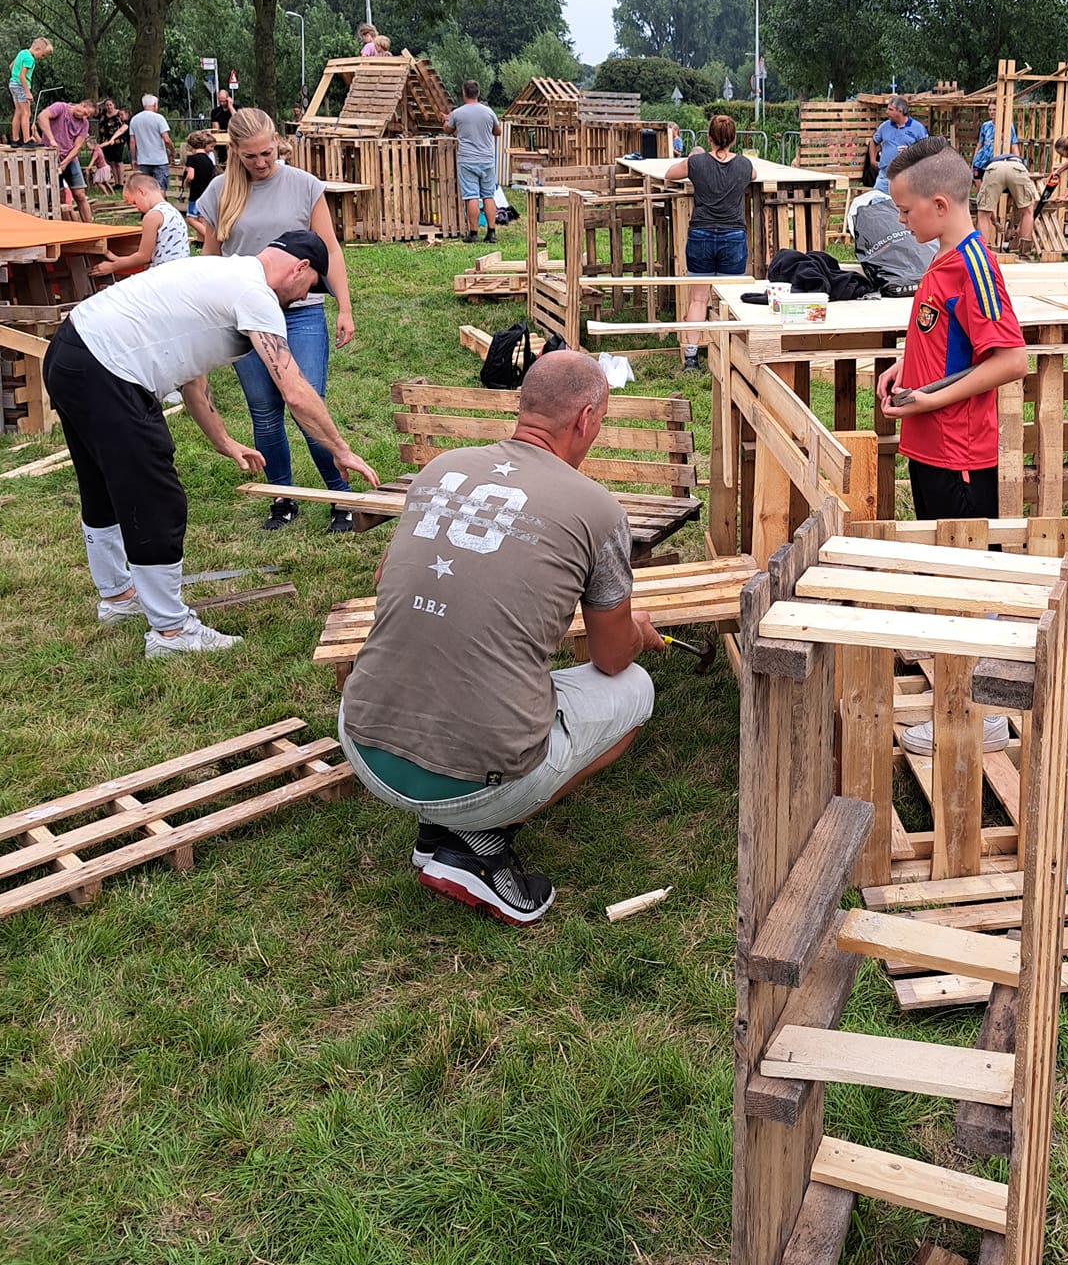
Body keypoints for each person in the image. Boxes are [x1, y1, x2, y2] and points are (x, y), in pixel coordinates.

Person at [337, 349, 663, 927]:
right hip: (479, 776)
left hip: (363, 741)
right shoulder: (599, 511)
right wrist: (639, 634)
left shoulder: (442, 469)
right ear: (587, 418)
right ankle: (480, 840)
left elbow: (386, 578)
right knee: (635, 689)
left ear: (523, 405)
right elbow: (612, 657)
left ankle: (445, 825)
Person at [42, 233, 379, 659]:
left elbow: (192, 374)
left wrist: (222, 441)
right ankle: (171, 633)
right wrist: (341, 448)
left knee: (102, 485)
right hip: (108, 367)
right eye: (311, 287)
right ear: (300, 268)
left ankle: (119, 598)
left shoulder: (222, 272)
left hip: (70, 351)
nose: (303, 298)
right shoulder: (254, 292)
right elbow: (294, 389)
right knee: (155, 497)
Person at [199, 107, 359, 533]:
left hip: (301, 314)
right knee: (264, 412)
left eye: (267, 153)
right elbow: (210, 261)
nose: (261, 163)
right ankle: (282, 498)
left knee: (307, 405)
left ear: (277, 142)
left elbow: (332, 250)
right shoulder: (219, 193)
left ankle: (340, 500)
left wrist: (343, 306)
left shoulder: (304, 186)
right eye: (250, 157)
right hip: (245, 320)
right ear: (234, 151)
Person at [877, 137, 1029, 520]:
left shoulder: (974, 267)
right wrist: (905, 365)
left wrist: (933, 401)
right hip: (929, 443)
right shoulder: (942, 257)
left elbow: (1012, 360)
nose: (901, 220)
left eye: (906, 210)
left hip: (958, 455)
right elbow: (946, 338)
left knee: (963, 565)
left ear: (940, 205)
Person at [665, 111, 755, 371]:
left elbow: (671, 173)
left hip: (701, 234)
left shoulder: (697, 163)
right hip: (733, 237)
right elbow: (754, 175)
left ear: (709, 137)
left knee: (698, 300)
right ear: (734, 139)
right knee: (731, 299)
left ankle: (691, 358)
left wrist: (694, 157)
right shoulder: (744, 165)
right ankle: (732, 357)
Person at [92, 170, 190, 278]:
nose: (136, 207)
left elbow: (144, 257)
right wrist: (118, 259)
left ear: (141, 192)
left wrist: (112, 267)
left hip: (164, 276)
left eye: (134, 202)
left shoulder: (152, 217)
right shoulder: (173, 211)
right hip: (182, 272)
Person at [443, 80, 502, 243]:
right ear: (478, 93)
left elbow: (448, 129)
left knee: (472, 196)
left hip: (467, 160)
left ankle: (474, 233)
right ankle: (491, 232)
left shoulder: (457, 113)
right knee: (489, 195)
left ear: (464, 93)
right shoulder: (488, 112)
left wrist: (446, 120)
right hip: (487, 159)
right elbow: (498, 131)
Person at [972, 120, 1038, 256]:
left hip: (994, 167)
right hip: (1016, 166)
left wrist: (995, 222)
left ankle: (983, 254)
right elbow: (1016, 150)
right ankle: (1024, 251)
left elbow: (984, 205)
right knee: (1028, 212)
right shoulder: (992, 127)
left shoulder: (980, 164)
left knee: (983, 214)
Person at [37, 97, 96, 224]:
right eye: (85, 113)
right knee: (59, 195)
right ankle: (65, 226)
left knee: (80, 194)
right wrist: (51, 140)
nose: (84, 116)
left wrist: (65, 163)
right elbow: (42, 117)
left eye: (88, 116)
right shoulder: (61, 108)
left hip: (70, 159)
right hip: (51, 158)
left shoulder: (84, 123)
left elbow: (78, 146)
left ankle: (90, 226)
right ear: (82, 104)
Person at [869, 96, 928, 194]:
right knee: (876, 205)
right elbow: (874, 142)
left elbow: (926, 150)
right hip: (884, 177)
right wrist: (872, 160)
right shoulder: (884, 126)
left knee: (901, 207)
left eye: (890, 109)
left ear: (900, 111)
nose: (887, 112)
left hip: (906, 178)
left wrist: (910, 151)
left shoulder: (918, 128)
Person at [9, 37, 51, 145]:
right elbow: (22, 76)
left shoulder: (22, 53)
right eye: (42, 55)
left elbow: (11, 66)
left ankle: (15, 139)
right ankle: (27, 140)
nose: (42, 58)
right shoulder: (30, 59)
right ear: (37, 49)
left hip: (13, 84)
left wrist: (15, 75)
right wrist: (28, 92)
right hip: (21, 85)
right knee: (26, 113)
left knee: (18, 111)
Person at [128, 93, 174, 191]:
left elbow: (132, 142)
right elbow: (166, 139)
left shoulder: (134, 120)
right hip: (159, 160)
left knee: (146, 189)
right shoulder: (159, 118)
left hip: (143, 160)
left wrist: (133, 158)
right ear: (154, 104)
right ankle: (160, 205)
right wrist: (172, 151)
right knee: (160, 188)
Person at [182, 130, 220, 223]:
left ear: (191, 146)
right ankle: (203, 238)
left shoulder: (192, 159)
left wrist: (185, 183)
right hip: (207, 193)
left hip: (196, 194)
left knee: (191, 218)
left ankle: (205, 236)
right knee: (202, 219)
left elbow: (191, 175)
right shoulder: (209, 160)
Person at [98, 98, 131, 188]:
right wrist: (99, 103)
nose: (109, 107)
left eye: (110, 105)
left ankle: (121, 182)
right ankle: (116, 183)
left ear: (114, 105)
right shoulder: (103, 114)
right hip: (105, 141)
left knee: (118, 161)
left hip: (117, 141)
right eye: (107, 105)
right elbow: (94, 110)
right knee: (111, 162)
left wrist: (113, 138)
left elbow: (123, 127)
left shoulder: (119, 114)